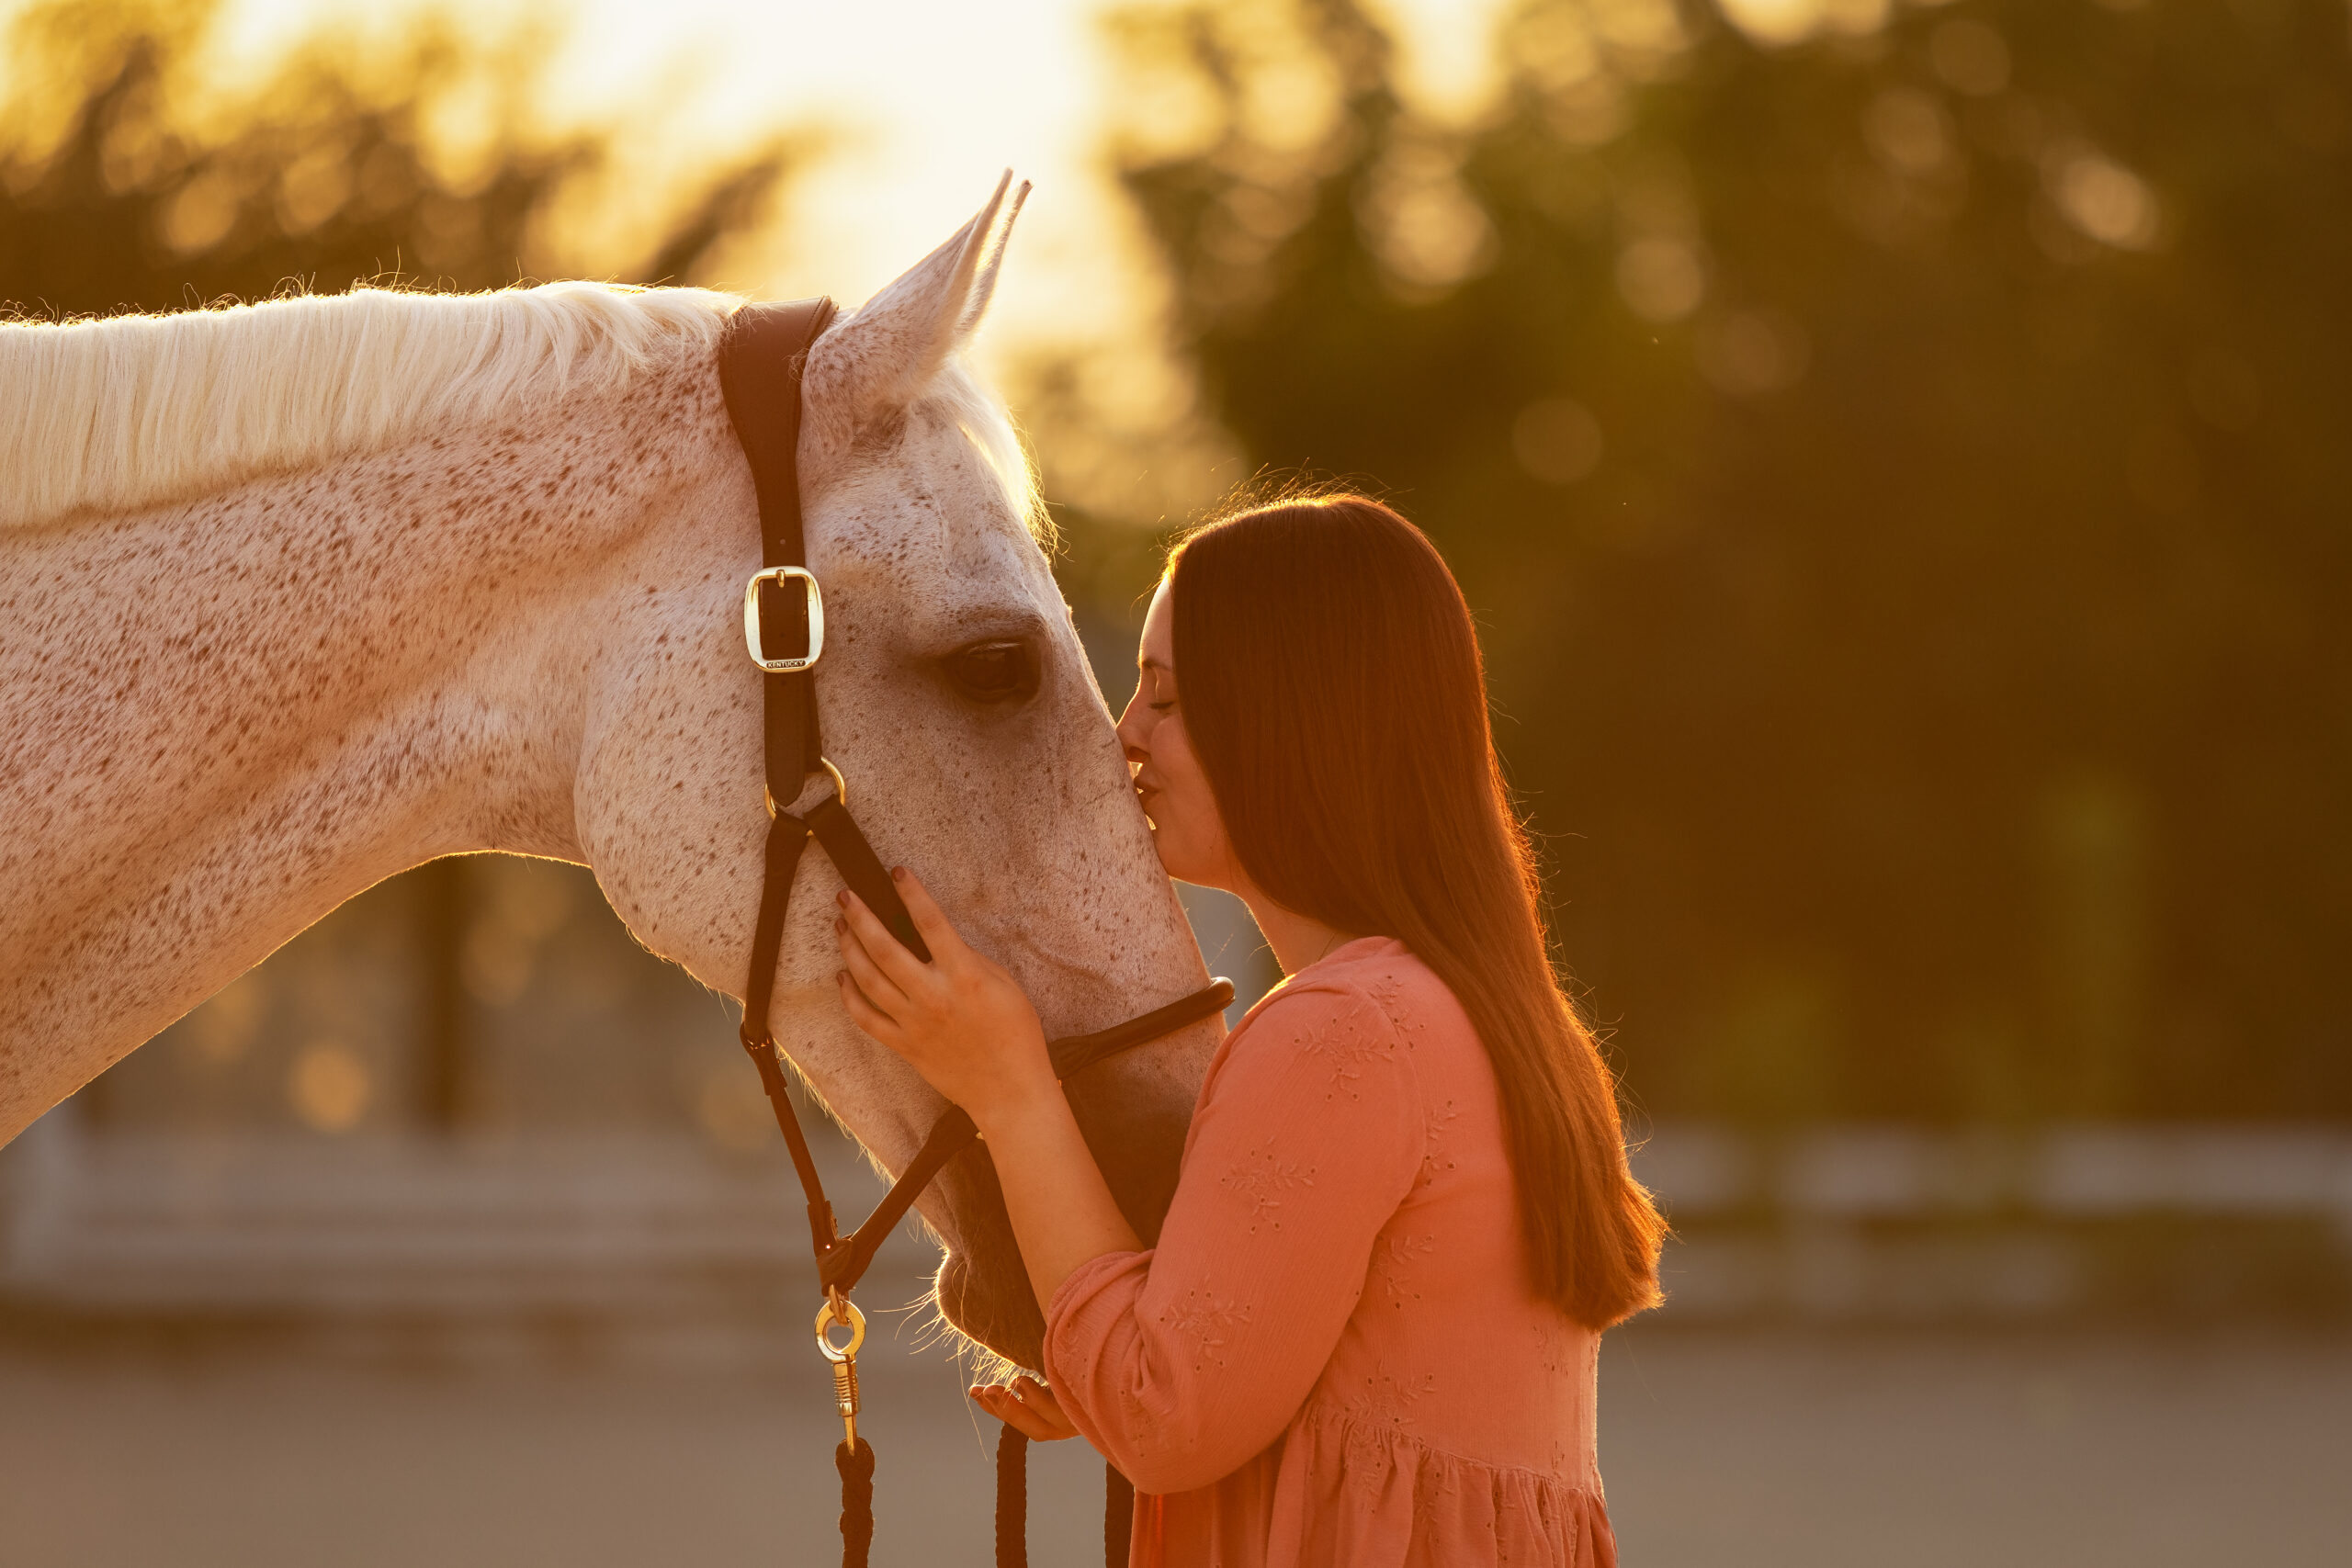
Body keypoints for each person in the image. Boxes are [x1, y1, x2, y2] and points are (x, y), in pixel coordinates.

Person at [831, 493, 1666, 1568]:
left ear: (1289, 722)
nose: (1123, 732)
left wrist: (1008, 1086)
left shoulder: (1337, 1033)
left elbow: (1164, 1415)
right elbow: (1356, 1376)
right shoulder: (1480, 1014)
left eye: (1167, 700)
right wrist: (1114, 1361)